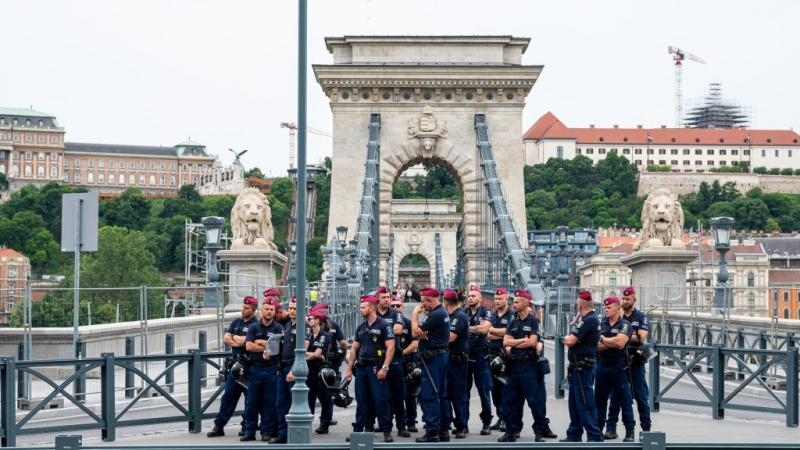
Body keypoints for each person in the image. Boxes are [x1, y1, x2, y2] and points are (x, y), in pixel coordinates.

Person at [345, 295, 396, 443]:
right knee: (362, 401)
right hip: (361, 368)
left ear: (372, 307)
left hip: (376, 368)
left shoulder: (384, 325)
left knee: (380, 400)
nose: (360, 309)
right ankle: (359, 430)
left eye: (363, 307)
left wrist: (385, 367)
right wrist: (349, 369)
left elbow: (391, 347)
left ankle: (386, 430)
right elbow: (354, 349)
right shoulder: (361, 327)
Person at [497, 290, 546, 442]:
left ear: (526, 303)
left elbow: (532, 342)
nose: (514, 304)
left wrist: (516, 342)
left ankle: (539, 432)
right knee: (509, 400)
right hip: (513, 366)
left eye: (517, 301)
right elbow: (505, 342)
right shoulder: (513, 322)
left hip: (528, 366)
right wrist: (521, 341)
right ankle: (510, 432)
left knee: (534, 401)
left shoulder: (533, 321)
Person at [207, 296, 258, 438]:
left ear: (253, 310)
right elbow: (226, 338)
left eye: (247, 308)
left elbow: (245, 341)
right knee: (228, 396)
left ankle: (246, 426)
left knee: (250, 399)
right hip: (234, 366)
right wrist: (239, 341)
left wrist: (237, 339)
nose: (243, 310)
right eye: (243, 307)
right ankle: (219, 426)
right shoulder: (236, 321)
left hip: (249, 366)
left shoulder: (256, 324)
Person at [606, 286, 651, 438]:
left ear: (634, 299)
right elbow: (607, 334)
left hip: (635, 361)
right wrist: (629, 335)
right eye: (623, 299)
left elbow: (642, 337)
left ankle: (646, 429)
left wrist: (622, 335)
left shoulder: (640, 316)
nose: (625, 301)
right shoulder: (616, 316)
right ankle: (611, 429)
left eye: (628, 299)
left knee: (641, 396)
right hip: (619, 361)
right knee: (616, 397)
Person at [561, 290, 603, 443]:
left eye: (577, 302)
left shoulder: (589, 320)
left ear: (580, 304)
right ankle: (574, 434)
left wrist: (567, 338)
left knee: (585, 403)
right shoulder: (586, 319)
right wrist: (575, 321)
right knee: (574, 403)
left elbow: (571, 340)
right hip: (577, 367)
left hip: (583, 368)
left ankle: (594, 436)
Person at [240, 298, 284, 442]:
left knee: (269, 402)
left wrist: (259, 343)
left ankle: (266, 431)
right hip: (255, 368)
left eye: (272, 310)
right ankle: (249, 431)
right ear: (261, 311)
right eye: (267, 309)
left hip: (271, 369)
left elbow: (277, 349)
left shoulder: (278, 328)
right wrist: (267, 346)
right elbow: (248, 346)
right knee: (251, 402)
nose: (269, 312)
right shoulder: (254, 327)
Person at [412, 287, 451, 443]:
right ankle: (443, 430)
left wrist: (415, 314)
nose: (422, 306)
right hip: (440, 357)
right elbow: (421, 333)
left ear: (429, 300)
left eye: (423, 302)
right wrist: (422, 332)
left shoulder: (435, 315)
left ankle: (432, 431)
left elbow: (415, 333)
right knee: (441, 394)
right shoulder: (441, 313)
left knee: (429, 395)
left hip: (432, 360)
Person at [595, 296, 635, 442]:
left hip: (619, 366)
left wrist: (603, 339)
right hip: (603, 365)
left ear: (617, 309)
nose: (606, 309)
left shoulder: (625, 325)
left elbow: (620, 343)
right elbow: (596, 345)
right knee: (599, 400)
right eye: (605, 307)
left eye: (609, 307)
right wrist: (610, 341)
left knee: (625, 400)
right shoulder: (601, 324)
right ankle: (598, 430)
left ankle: (630, 431)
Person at [376, 286, 409, 437]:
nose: (387, 300)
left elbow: (398, 329)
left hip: (394, 360)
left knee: (398, 395)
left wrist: (379, 328)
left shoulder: (396, 314)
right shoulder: (373, 314)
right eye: (383, 297)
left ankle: (402, 426)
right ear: (377, 299)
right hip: (377, 360)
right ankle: (385, 426)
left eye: (388, 297)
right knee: (382, 396)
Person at [464, 284, 493, 435]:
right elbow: (478, 329)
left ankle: (486, 422)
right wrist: (475, 328)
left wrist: (467, 328)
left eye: (473, 295)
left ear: (480, 298)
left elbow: (483, 329)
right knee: (464, 391)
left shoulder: (486, 312)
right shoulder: (463, 312)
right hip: (466, 355)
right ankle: (463, 422)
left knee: (483, 390)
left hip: (481, 355)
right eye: (469, 296)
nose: (470, 298)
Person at [442, 289, 469, 438]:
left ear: (446, 302)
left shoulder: (459, 316)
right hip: (448, 360)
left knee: (457, 395)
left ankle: (461, 426)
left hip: (456, 361)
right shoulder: (448, 316)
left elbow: (450, 338)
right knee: (446, 394)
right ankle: (450, 422)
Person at [392, 296, 420, 433]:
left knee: (410, 395)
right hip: (392, 363)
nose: (396, 308)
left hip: (407, 361)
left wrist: (402, 353)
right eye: (393, 306)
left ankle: (411, 422)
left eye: (398, 305)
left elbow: (415, 343)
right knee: (395, 394)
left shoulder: (408, 323)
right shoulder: (386, 324)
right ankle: (398, 422)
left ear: (402, 307)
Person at [305, 309, 334, 434]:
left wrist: (304, 355)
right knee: (309, 398)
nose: (308, 320)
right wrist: (310, 354)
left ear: (317, 320)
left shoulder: (324, 335)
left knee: (324, 398)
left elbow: (317, 354)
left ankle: (325, 423)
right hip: (309, 371)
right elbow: (306, 349)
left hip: (320, 371)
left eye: (310, 318)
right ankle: (307, 422)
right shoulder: (308, 334)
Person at [274, 298, 298, 444]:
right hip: (283, 366)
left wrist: (294, 369)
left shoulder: (303, 326)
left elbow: (304, 350)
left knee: (294, 402)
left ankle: (294, 434)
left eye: (295, 308)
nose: (291, 310)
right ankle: (283, 434)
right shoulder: (288, 325)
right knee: (281, 402)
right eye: (290, 307)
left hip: (294, 367)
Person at [487, 287, 512, 431]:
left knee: (504, 389)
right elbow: (487, 334)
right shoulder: (493, 315)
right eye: (495, 299)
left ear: (506, 299)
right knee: (494, 390)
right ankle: (500, 416)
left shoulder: (512, 315)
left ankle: (506, 418)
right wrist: (500, 333)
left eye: (500, 299)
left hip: (505, 357)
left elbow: (509, 332)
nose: (496, 301)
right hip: (491, 356)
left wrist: (493, 331)